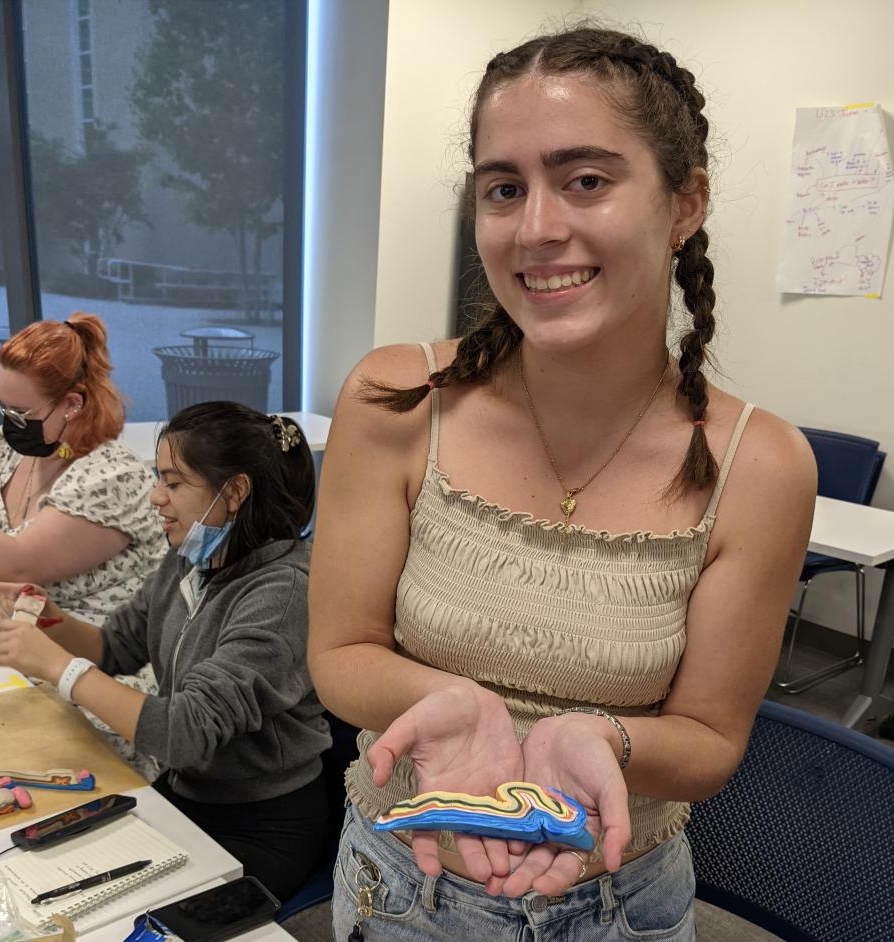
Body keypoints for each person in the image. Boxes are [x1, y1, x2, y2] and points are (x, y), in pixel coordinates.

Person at [308, 25, 816, 941]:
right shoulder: (396, 400)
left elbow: (707, 741)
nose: (536, 228)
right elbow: (340, 653)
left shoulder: (759, 466)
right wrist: (455, 705)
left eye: (586, 180)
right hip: (400, 884)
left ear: (684, 204)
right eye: (505, 188)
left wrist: (604, 739)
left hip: (622, 899)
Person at [0, 402, 332, 901]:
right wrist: (50, 616)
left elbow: (184, 732)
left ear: (234, 493)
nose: (155, 498)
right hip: (189, 791)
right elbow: (114, 647)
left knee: (133, 912)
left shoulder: (283, 594)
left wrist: (57, 666)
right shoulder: (190, 558)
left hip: (262, 822)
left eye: (174, 483)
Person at [0, 313, 163, 629]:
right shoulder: (10, 452)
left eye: (21, 412)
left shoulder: (115, 478)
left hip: (81, 666)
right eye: (3, 407)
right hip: (2, 647)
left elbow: (18, 564)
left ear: (71, 404)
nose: (9, 422)